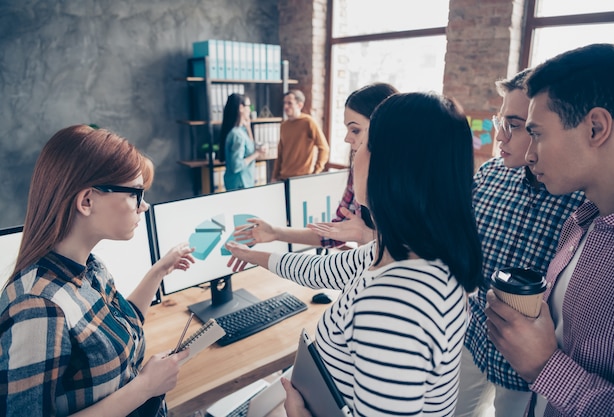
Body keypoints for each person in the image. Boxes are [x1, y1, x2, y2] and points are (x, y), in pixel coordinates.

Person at [226, 92, 483, 416]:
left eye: (363, 143)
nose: (354, 152)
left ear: (392, 168)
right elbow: (324, 270)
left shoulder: (395, 306)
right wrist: (259, 256)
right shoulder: (407, 254)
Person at [0, 125, 196, 416]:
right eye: (135, 194)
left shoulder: (91, 267)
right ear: (87, 201)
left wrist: (159, 271)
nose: (144, 206)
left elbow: (119, 326)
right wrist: (144, 387)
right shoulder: (38, 307)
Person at [485, 43, 614, 417]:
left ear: (596, 127)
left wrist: (544, 366)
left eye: (538, 134)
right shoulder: (581, 222)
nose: (529, 155)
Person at [455, 70, 585, 417]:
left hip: (528, 361)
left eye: (515, 125)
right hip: (474, 336)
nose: (499, 135)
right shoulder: (490, 173)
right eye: (501, 120)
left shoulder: (583, 201)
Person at [235, 83, 398, 249]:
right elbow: (335, 233)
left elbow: (412, 250)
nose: (347, 138)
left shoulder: (408, 182)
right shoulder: (357, 170)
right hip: (367, 270)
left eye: (355, 130)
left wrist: (315, 172)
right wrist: (275, 232)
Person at [271, 89, 330, 182]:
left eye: (290, 103)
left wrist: (316, 172)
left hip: (302, 178)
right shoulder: (284, 125)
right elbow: (280, 153)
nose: (286, 106)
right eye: (285, 103)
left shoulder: (308, 122)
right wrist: (274, 176)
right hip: (283, 177)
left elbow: (324, 148)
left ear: (300, 105)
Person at [218, 93, 265, 191]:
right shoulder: (237, 135)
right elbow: (237, 165)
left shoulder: (241, 130)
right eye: (249, 106)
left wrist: (248, 128)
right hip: (240, 184)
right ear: (241, 108)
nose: (250, 110)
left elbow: (251, 147)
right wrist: (257, 154)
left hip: (243, 182)